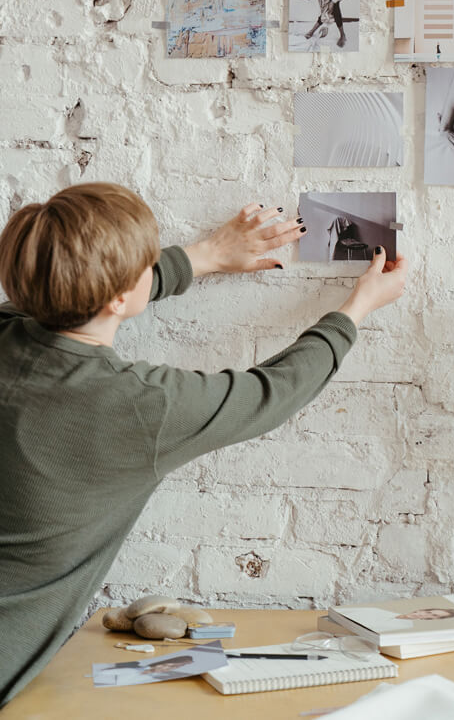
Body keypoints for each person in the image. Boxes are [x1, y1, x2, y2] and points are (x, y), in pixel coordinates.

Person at [0, 182, 407, 705]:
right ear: (120, 296)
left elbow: (70, 292)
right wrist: (357, 309)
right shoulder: (143, 405)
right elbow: (274, 391)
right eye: (145, 264)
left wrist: (208, 255)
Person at [94, 654, 195, 687]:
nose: (167, 668)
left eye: (174, 667)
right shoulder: (132, 665)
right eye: (169, 665)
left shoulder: (148, 680)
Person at [341, 606, 454, 632]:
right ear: (421, 610)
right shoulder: (379, 610)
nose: (425, 615)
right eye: (429, 612)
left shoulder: (403, 629)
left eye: (434, 616)